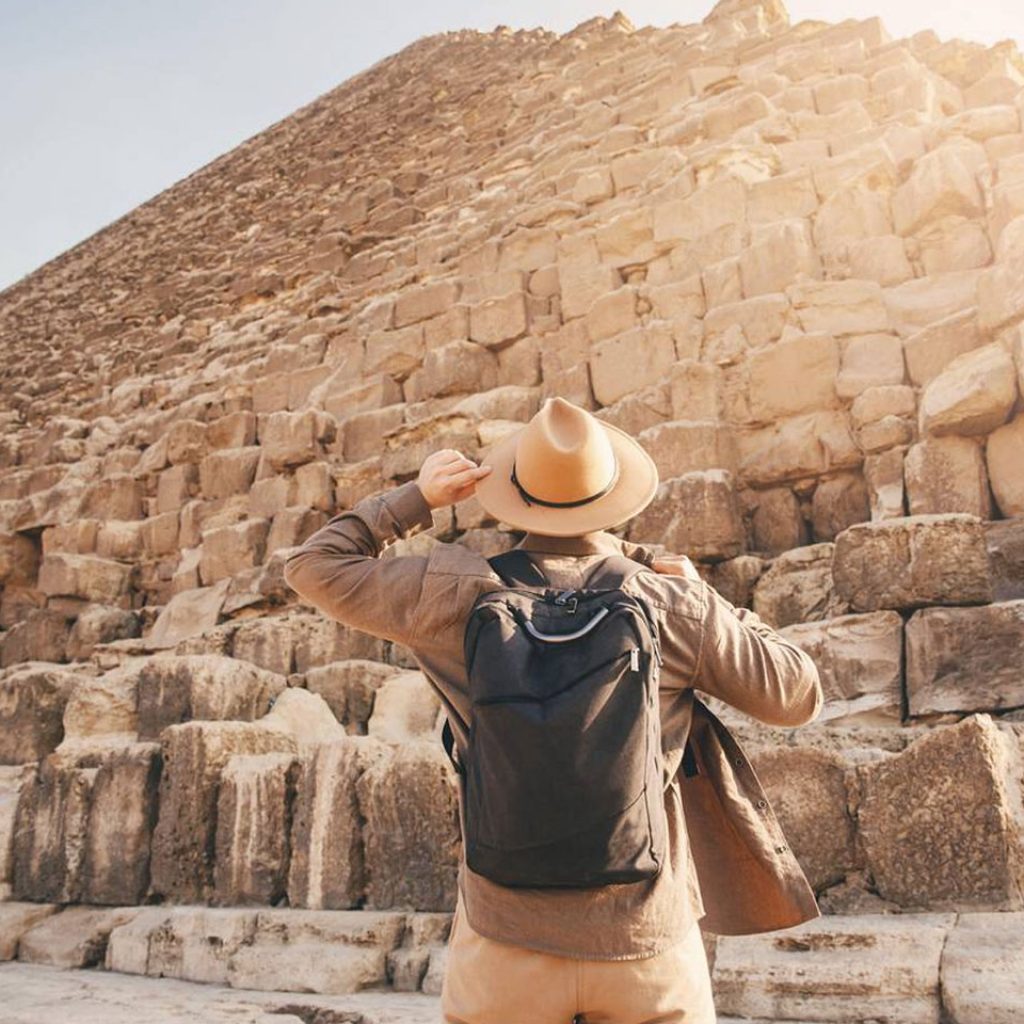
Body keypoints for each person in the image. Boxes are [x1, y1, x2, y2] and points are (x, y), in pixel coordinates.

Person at [283, 396, 824, 1024]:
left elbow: (312, 565)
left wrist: (418, 499)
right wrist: (709, 600)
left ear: (513, 491)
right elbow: (798, 695)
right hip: (644, 947)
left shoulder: (452, 593)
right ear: (614, 491)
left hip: (504, 941)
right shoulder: (670, 604)